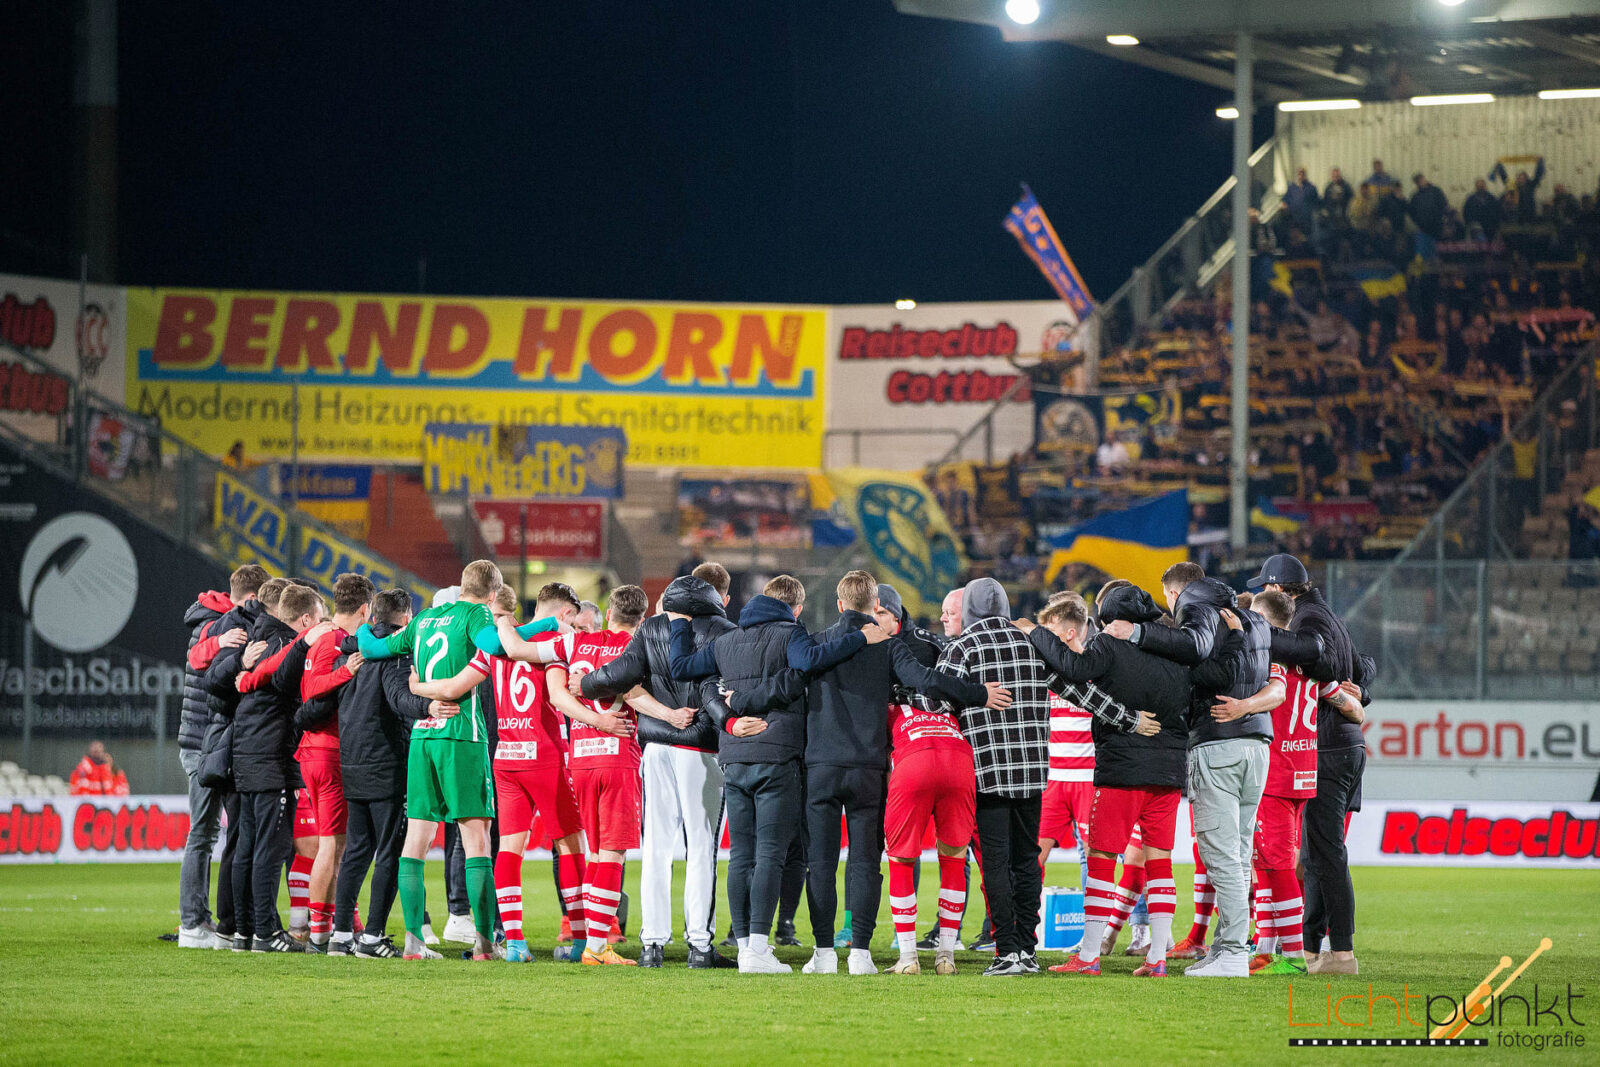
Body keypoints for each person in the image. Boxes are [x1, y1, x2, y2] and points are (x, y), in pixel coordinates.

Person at [913, 577, 1142, 977]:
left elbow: (932, 701)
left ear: (970, 609)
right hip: (1033, 776)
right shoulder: (1031, 644)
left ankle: (1006, 951)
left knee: (996, 865)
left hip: (986, 774)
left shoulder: (964, 647)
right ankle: (1027, 950)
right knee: (1026, 864)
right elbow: (1080, 693)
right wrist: (1131, 718)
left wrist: (907, 690)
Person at [794, 571, 1007, 977]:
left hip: (822, 765)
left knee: (820, 863)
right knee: (865, 862)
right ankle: (861, 955)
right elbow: (925, 680)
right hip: (869, 766)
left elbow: (798, 669)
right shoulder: (889, 646)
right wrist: (980, 693)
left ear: (839, 604)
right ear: (876, 605)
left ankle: (823, 955)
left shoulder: (816, 643)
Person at [667, 574, 873, 974]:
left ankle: (745, 945)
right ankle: (759, 948)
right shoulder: (791, 634)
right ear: (796, 609)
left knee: (740, 855)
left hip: (733, 757)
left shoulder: (726, 641)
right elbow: (809, 663)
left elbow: (681, 667)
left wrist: (679, 623)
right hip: (777, 755)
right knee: (770, 855)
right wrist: (862, 638)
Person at [355, 560, 559, 960]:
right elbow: (498, 645)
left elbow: (372, 649)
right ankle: (484, 943)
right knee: (476, 838)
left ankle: (413, 942)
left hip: (423, 737)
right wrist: (547, 626)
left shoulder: (423, 620)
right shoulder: (475, 614)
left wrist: (363, 627)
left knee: (416, 840)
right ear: (493, 594)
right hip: (462, 735)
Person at [1103, 562, 1278, 978]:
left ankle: (1232, 952)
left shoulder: (1195, 612)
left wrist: (1138, 634)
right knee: (1238, 853)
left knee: (1222, 856)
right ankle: (1227, 946)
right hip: (1256, 745)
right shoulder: (1251, 619)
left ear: (1175, 593)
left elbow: (1194, 648)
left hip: (1218, 745)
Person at [1022, 584, 1197, 977]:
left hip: (1121, 770)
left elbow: (1074, 670)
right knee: (1159, 863)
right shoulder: (1177, 650)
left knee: (1100, 862)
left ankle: (1088, 956)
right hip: (1169, 772)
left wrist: (1036, 634)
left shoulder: (1109, 644)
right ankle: (1157, 958)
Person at [409, 583, 588, 963]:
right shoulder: (552, 641)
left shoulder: (493, 648)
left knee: (508, 849)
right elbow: (560, 696)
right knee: (571, 845)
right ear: (564, 613)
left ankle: (516, 943)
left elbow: (453, 687)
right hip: (545, 757)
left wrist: (417, 687)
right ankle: (580, 940)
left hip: (506, 758)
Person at [576, 563, 738, 969]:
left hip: (655, 748)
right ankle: (699, 945)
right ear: (717, 596)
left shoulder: (651, 628)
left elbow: (620, 674)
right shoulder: (723, 631)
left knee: (656, 848)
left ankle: (652, 944)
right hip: (701, 747)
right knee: (701, 847)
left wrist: (585, 684)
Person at [519, 586, 678, 966]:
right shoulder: (639, 647)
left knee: (594, 853)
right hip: (617, 757)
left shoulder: (575, 643)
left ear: (608, 613)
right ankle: (596, 946)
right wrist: (669, 715)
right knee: (613, 853)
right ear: (642, 619)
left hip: (580, 760)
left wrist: (508, 623)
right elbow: (634, 692)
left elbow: (519, 653)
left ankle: (590, 939)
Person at [1247, 553, 1376, 976]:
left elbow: (1323, 660)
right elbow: (1362, 665)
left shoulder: (1308, 620)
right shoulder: (1327, 614)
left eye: (1265, 588)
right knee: (1317, 855)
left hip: (1326, 748)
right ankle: (1310, 948)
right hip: (1341, 742)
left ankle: (1341, 954)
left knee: (1325, 854)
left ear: (1277, 589)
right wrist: (1359, 695)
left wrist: (1252, 631)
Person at [322, 588, 453, 958]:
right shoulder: (395, 653)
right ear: (406, 619)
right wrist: (430, 706)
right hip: (386, 765)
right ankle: (372, 937)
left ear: (373, 616)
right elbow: (399, 699)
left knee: (356, 851)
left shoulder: (349, 653)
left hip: (352, 763)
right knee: (391, 852)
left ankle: (340, 935)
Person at [229, 583, 332, 952]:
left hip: (248, 753)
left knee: (247, 847)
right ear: (305, 620)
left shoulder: (259, 638)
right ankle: (266, 933)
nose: (323, 625)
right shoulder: (288, 644)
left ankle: (244, 931)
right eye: (319, 619)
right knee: (270, 850)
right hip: (271, 756)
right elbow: (287, 682)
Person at [176, 565, 262, 949]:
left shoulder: (216, 622)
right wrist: (221, 643)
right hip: (202, 743)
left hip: (208, 740)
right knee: (203, 833)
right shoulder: (216, 626)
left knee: (211, 832)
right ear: (252, 599)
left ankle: (203, 919)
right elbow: (199, 659)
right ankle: (192, 923)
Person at [290, 573, 374, 950]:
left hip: (316, 752)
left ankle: (341, 923)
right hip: (327, 752)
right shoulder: (334, 640)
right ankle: (321, 933)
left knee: (336, 845)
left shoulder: (324, 636)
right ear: (365, 609)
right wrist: (346, 671)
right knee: (332, 847)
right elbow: (311, 690)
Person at [1408, 173, 1447, 239]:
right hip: (1423, 228)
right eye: (1418, 181)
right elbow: (1412, 211)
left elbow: (1444, 205)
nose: (1420, 182)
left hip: (1437, 226)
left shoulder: (1436, 191)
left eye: (1421, 180)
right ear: (1416, 183)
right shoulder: (1415, 196)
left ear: (1424, 179)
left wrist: (1440, 218)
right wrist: (1419, 222)